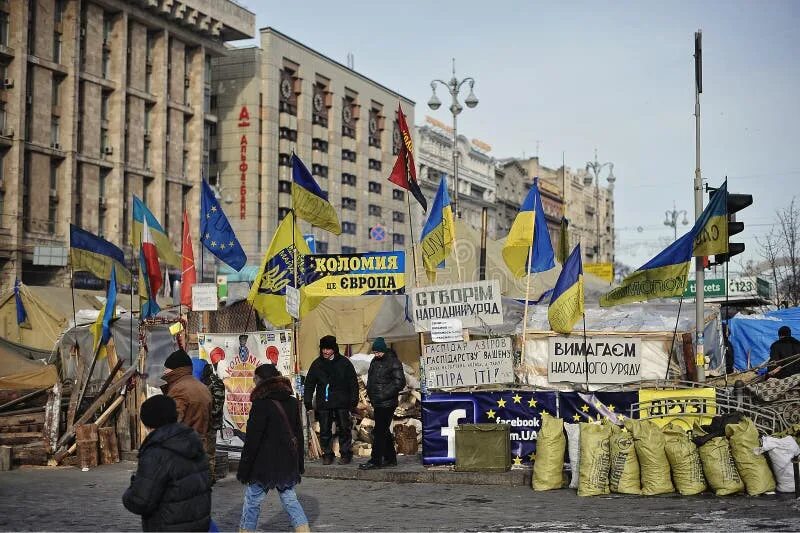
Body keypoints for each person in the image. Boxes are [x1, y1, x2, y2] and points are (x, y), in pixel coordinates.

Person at [237, 364, 309, 533]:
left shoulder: (260, 404)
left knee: (252, 502)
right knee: (290, 500)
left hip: (263, 465)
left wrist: (244, 469)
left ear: (261, 380)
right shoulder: (291, 402)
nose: (253, 381)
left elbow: (253, 440)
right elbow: (298, 435)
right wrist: (299, 463)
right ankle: (304, 530)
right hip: (286, 463)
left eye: (255, 378)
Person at [123, 395, 211, 532]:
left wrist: (131, 489)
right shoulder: (192, 441)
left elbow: (140, 501)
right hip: (198, 525)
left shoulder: (157, 451)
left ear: (147, 421)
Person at [303, 335, 359, 465]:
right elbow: (309, 383)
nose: (325, 352)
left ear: (334, 349)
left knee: (344, 428)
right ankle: (327, 454)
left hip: (342, 401)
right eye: (323, 349)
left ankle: (345, 453)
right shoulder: (317, 364)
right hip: (324, 402)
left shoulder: (344, 363)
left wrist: (354, 400)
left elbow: (353, 382)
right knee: (325, 430)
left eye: (328, 349)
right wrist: (308, 401)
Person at [359, 337, 406, 470]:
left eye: (378, 352)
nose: (376, 354)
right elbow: (372, 379)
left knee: (379, 431)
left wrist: (383, 394)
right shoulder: (374, 361)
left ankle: (375, 460)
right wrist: (371, 394)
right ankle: (391, 459)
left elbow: (399, 382)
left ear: (384, 350)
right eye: (374, 352)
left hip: (387, 402)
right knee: (383, 431)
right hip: (377, 402)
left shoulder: (393, 362)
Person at [161, 349, 213, 437]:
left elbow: (172, 423)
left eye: (167, 368)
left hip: (183, 444)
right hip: (200, 444)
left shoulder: (179, 389)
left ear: (176, 369)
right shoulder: (202, 387)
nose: (164, 371)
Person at [201, 360, 226, 483]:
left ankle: (210, 478)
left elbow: (217, 405)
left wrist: (207, 416)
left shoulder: (215, 383)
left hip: (211, 423)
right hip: (205, 423)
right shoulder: (206, 381)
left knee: (209, 453)